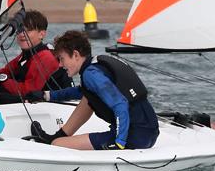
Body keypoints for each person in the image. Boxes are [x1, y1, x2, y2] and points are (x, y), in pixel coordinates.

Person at [29, 29, 159, 150]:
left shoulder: (91, 74)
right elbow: (81, 91)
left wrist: (119, 144)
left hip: (134, 136)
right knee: (88, 97)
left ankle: (54, 140)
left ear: (75, 55)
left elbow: (121, 104)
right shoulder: (95, 66)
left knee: (57, 145)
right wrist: (46, 95)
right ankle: (58, 135)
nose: (60, 65)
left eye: (62, 59)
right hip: (149, 132)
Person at [0, 10, 71, 104]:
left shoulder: (45, 57)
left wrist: (2, 80)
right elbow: (5, 71)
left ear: (42, 34)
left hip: (56, 108)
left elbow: (28, 90)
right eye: (20, 30)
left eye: (28, 30)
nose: (22, 34)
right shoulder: (26, 56)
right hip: (36, 105)